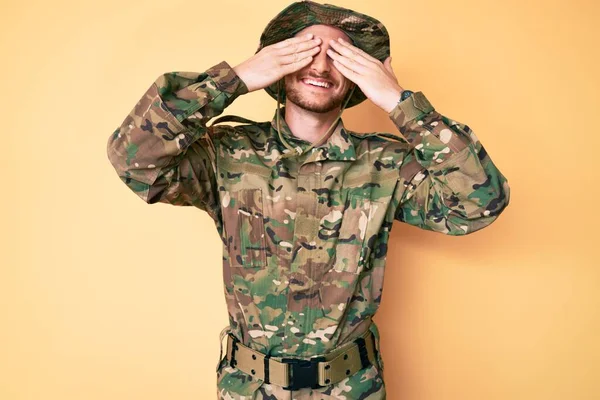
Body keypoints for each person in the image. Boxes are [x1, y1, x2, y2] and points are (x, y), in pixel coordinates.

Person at [106, 1, 511, 398]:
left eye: (338, 56)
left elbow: (481, 203)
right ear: (278, 67)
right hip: (248, 389)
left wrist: (398, 101)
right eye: (304, 52)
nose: (319, 67)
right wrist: (234, 79)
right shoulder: (226, 154)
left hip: (352, 388)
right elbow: (134, 159)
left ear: (357, 77)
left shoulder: (386, 163)